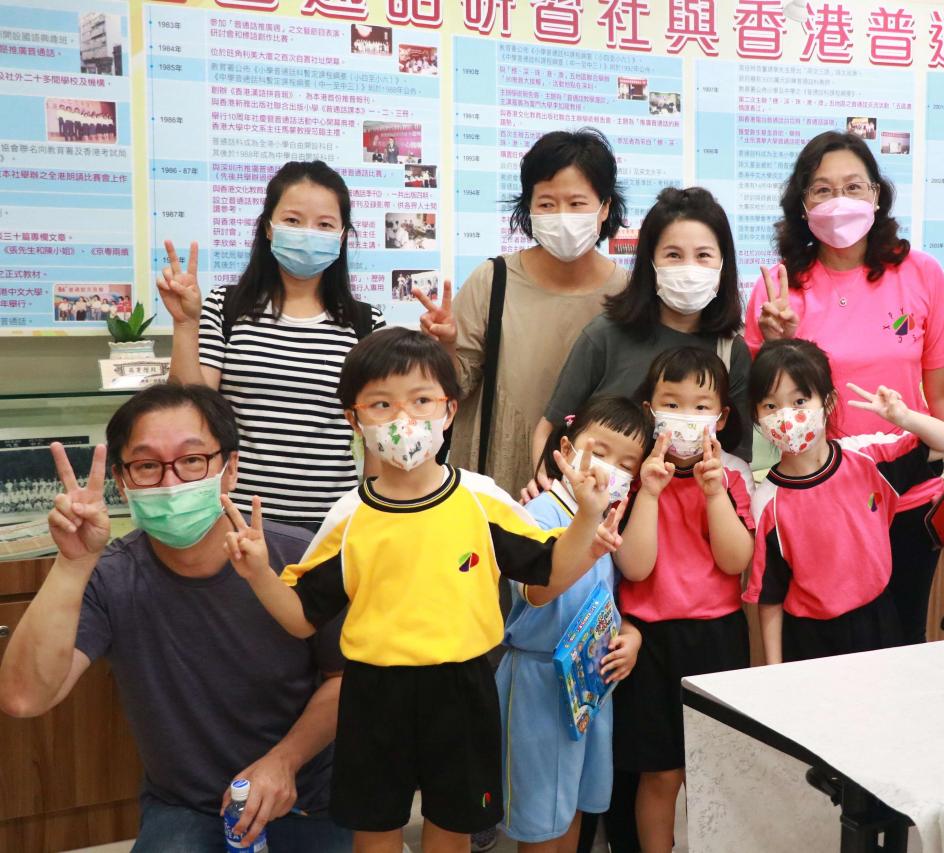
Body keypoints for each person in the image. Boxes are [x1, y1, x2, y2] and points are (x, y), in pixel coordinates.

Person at [221, 327, 625, 853]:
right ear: (354, 420)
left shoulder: (481, 499)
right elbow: (301, 618)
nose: (403, 419)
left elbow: (548, 569)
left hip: (462, 688)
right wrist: (258, 573)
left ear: (449, 410)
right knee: (375, 831)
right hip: (372, 693)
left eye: (421, 400)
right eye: (381, 404)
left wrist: (587, 517)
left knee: (452, 830)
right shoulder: (349, 516)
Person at [0, 384, 349, 852]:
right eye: (147, 466)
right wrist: (72, 564)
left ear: (229, 469)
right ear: (122, 481)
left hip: (309, 796)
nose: (171, 483)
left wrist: (285, 761)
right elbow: (24, 698)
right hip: (187, 805)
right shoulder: (111, 576)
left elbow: (345, 678)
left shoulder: (298, 559)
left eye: (192, 460)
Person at [744, 131, 944, 646]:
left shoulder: (919, 273)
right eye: (822, 189)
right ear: (802, 203)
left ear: (877, 195)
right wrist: (777, 343)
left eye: (854, 186)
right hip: (820, 501)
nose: (839, 200)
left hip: (909, 491)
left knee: (902, 642)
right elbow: (768, 405)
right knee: (825, 648)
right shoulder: (777, 289)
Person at [157, 160, 388, 530]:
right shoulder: (225, 307)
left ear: (343, 235)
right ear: (268, 226)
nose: (308, 233)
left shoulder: (366, 324)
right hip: (234, 519)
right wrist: (185, 324)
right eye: (293, 220)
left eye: (324, 224)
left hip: (332, 524)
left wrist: (378, 515)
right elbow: (191, 410)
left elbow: (377, 434)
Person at [421, 129, 628, 498]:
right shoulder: (493, 280)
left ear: (605, 207)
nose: (562, 216)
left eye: (577, 203)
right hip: (495, 487)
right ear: (528, 208)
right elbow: (455, 388)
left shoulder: (628, 294)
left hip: (592, 495)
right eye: (546, 204)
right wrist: (446, 345)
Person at [612, 347, 754, 853]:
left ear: (721, 418)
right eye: (672, 404)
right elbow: (635, 567)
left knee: (713, 771)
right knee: (659, 774)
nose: (686, 417)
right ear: (650, 411)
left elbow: (736, 562)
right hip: (648, 643)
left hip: (716, 639)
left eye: (700, 406)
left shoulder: (730, 480)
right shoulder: (633, 483)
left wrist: (714, 495)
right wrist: (650, 493)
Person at [745, 340, 944, 663]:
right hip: (808, 637)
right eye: (771, 406)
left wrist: (904, 417)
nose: (787, 416)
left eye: (800, 401)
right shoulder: (767, 501)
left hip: (877, 620)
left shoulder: (868, 457)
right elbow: (771, 596)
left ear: (828, 402)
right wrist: (774, 670)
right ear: (757, 415)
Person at [534, 186, 752, 501]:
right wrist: (548, 490)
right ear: (650, 261)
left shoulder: (731, 351)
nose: (689, 267)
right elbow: (550, 429)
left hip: (691, 519)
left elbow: (736, 459)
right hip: (599, 514)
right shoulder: (605, 335)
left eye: (703, 255)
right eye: (673, 255)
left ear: (723, 263)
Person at [498, 395, 648, 852]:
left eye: (626, 464)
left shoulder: (609, 522)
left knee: (575, 809)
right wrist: (586, 530)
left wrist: (631, 636)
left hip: (589, 688)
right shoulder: (537, 515)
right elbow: (536, 591)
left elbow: (609, 602)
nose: (609, 470)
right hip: (539, 685)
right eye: (599, 452)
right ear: (566, 448)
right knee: (542, 819)